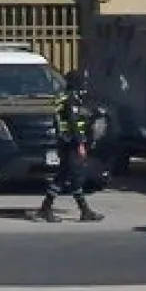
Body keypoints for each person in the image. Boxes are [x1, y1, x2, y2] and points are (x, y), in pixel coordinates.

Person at [37, 69, 105, 223]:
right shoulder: (70, 99)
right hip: (71, 143)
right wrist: (80, 143)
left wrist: (92, 115)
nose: (83, 85)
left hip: (65, 141)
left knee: (64, 176)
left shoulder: (64, 98)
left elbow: (75, 118)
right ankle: (81, 210)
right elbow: (73, 122)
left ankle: (48, 208)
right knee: (73, 175)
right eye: (81, 82)